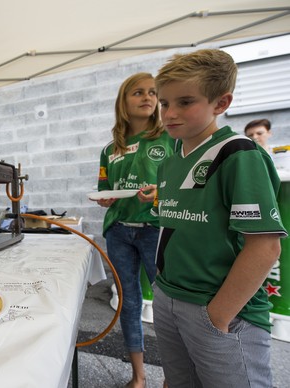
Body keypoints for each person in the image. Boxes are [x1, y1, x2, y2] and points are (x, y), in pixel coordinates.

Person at [148, 49, 287, 387]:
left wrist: (218, 316)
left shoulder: (239, 154)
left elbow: (265, 248)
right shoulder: (170, 158)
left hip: (217, 308)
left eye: (185, 102)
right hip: (168, 297)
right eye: (165, 103)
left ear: (221, 103)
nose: (170, 113)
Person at [92, 72, 174, 388]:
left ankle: (171, 377)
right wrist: (105, 197)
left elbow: (180, 186)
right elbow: (103, 190)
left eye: (153, 92)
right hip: (119, 231)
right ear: (123, 101)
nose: (147, 97)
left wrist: (161, 194)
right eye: (138, 92)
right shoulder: (110, 149)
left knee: (167, 306)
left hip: (156, 229)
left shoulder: (170, 138)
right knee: (128, 302)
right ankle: (138, 376)